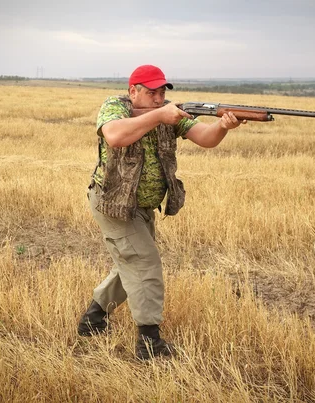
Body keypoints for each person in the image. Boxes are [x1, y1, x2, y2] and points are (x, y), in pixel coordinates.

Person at [77, 64, 245, 360]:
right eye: (151, 92)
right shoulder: (114, 107)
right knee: (144, 261)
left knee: (133, 262)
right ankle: (149, 342)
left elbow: (205, 137)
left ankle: (94, 317)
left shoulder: (170, 113)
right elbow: (115, 135)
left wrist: (223, 126)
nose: (158, 98)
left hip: (142, 205)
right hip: (114, 203)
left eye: (161, 92)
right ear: (133, 91)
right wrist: (159, 116)